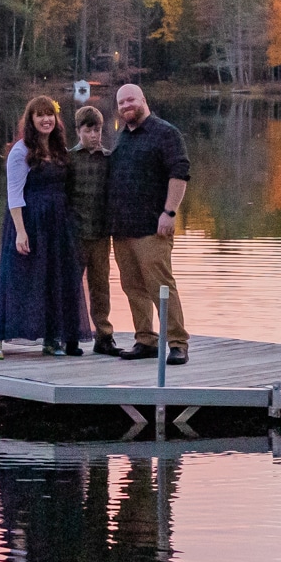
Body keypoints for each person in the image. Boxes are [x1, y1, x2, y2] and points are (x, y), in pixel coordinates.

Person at [0, 94, 89, 358]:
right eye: (39, 115)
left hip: (57, 224)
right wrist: (20, 231)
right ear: (30, 120)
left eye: (49, 114)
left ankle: (52, 339)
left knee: (54, 278)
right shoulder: (20, 151)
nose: (46, 119)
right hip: (29, 222)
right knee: (17, 278)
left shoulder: (59, 150)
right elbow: (14, 194)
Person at [104, 81, 193, 362]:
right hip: (122, 229)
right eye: (121, 103)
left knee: (161, 287)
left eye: (131, 100)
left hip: (152, 228)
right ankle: (146, 340)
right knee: (132, 288)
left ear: (143, 100)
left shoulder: (166, 133)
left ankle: (178, 343)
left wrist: (169, 213)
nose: (126, 106)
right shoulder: (124, 137)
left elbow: (179, 172)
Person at [65, 102, 121, 355]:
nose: (94, 135)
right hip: (75, 234)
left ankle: (104, 336)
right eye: (88, 130)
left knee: (101, 285)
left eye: (97, 130)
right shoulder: (68, 159)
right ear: (78, 131)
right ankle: (70, 335)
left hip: (100, 234)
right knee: (72, 285)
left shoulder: (109, 159)